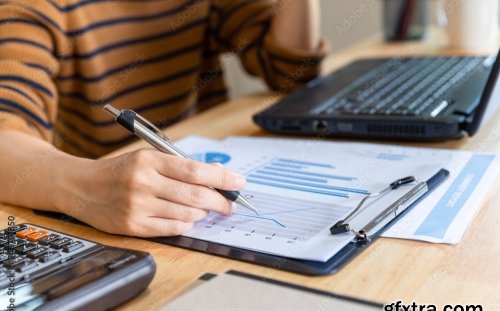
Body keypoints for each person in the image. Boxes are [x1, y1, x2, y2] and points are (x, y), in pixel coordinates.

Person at [0, 0, 325, 236]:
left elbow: (289, 72)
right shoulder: (34, 8)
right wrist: (86, 186)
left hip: (194, 198)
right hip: (124, 218)